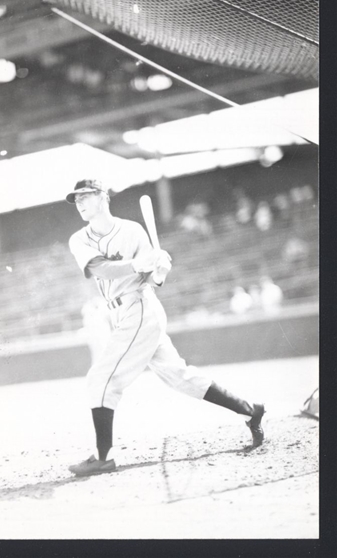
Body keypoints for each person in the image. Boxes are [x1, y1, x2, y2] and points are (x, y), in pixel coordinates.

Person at [66, 179, 265, 477]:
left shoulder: (132, 231)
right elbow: (99, 268)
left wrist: (159, 272)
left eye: (85, 196)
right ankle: (251, 410)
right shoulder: (78, 238)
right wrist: (138, 264)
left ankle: (103, 457)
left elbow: (151, 279)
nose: (79, 202)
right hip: (121, 313)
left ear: (102, 197)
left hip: (140, 308)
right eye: (76, 198)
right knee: (180, 377)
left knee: (101, 380)